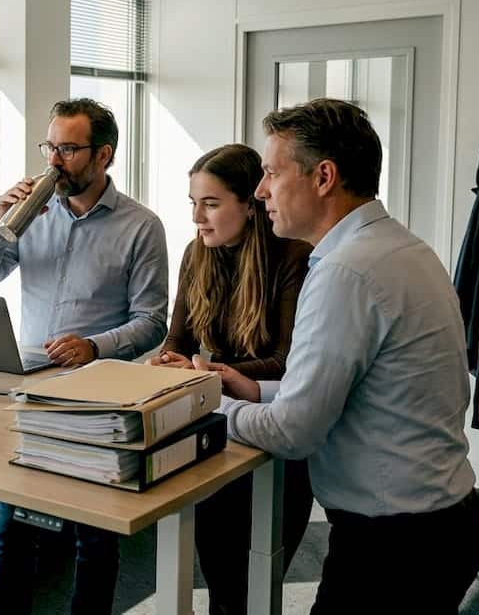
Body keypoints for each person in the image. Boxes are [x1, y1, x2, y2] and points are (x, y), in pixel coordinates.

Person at [221, 99, 479, 614]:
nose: (260, 191)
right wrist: (255, 391)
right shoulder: (402, 247)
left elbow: (292, 434)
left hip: (394, 548)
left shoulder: (346, 272)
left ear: (324, 177)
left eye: (272, 172)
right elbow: (364, 384)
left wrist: (206, 405)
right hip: (441, 523)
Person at [0, 98, 168, 615]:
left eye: (69, 150)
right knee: (10, 532)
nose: (54, 161)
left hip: (97, 400)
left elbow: (152, 322)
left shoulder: (141, 226)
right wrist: (0, 223)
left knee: (94, 539)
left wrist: (94, 346)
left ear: (104, 155)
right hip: (30, 389)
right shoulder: (30, 217)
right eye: (50, 147)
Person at [149, 144, 314, 615]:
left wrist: (214, 373)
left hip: (275, 423)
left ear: (250, 204)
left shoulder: (294, 256)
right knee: (222, 581)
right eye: (193, 203)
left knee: (255, 581)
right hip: (219, 423)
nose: (197, 217)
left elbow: (286, 361)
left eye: (211, 203)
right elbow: (177, 339)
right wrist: (168, 360)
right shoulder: (196, 253)